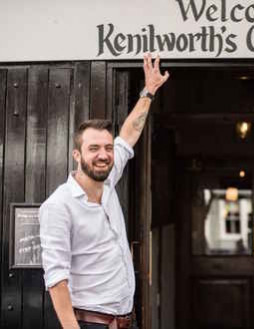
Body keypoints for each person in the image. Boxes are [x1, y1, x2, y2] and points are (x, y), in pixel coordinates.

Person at [39, 53, 169, 329]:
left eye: (107, 148)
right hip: (90, 323)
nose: (103, 155)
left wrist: (149, 90)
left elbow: (130, 134)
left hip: (125, 321)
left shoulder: (108, 180)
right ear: (77, 154)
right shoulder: (58, 205)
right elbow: (56, 278)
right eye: (93, 148)